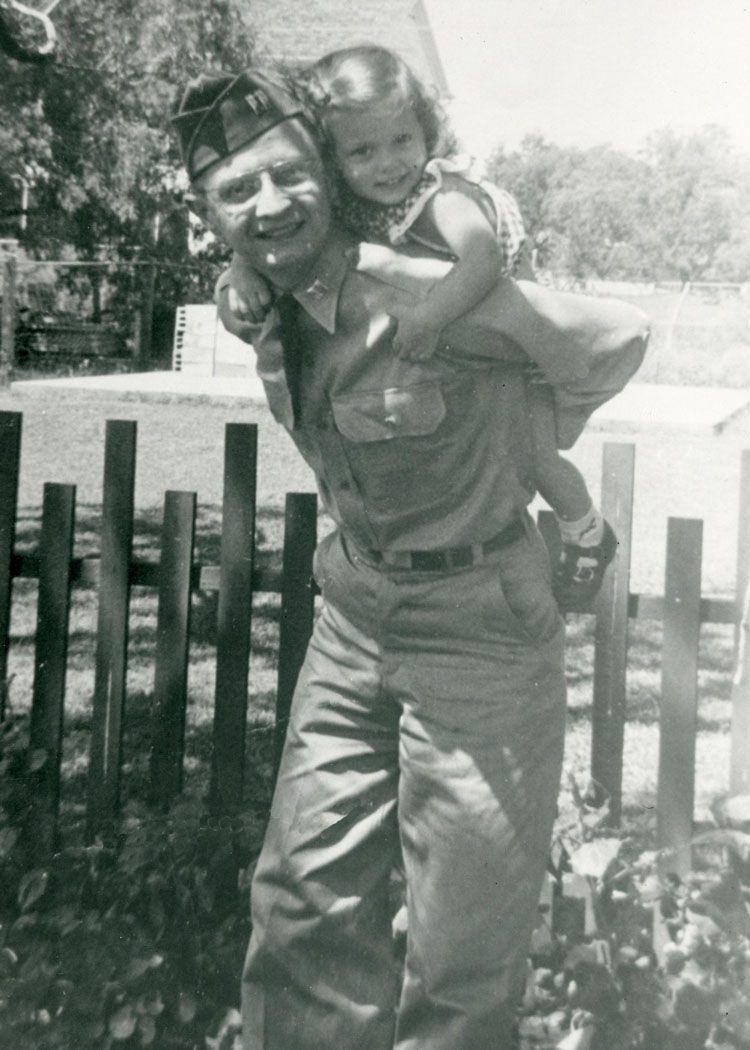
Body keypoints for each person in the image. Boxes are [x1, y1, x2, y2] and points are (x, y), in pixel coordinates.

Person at [171, 68, 648, 1050]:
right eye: (237, 190)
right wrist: (236, 284)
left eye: (289, 175)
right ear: (209, 214)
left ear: (328, 172)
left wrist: (523, 413)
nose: (269, 204)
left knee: (461, 951)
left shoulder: (414, 285)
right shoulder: (269, 300)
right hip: (352, 617)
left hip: (479, 627)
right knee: (299, 908)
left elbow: (618, 337)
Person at [225, 45, 617, 611]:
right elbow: (276, 237)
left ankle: (586, 532)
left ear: (426, 132)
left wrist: (431, 317)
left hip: (512, 348)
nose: (389, 163)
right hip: (448, 371)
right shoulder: (346, 203)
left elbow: (481, 260)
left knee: (537, 458)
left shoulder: (441, 192)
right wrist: (242, 267)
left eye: (401, 140)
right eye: (363, 151)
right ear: (330, 160)